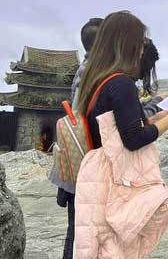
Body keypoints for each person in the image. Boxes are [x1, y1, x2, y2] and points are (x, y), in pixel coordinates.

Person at [73, 11, 168, 258]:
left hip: (96, 171)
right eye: (139, 42)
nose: (141, 50)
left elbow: (117, 127)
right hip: (114, 178)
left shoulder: (97, 78)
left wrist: (153, 119)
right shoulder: (121, 83)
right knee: (117, 247)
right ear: (126, 43)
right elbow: (133, 139)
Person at [49, 17, 103, 259]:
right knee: (80, 234)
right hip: (82, 163)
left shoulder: (87, 69)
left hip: (77, 162)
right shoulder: (92, 72)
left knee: (77, 232)